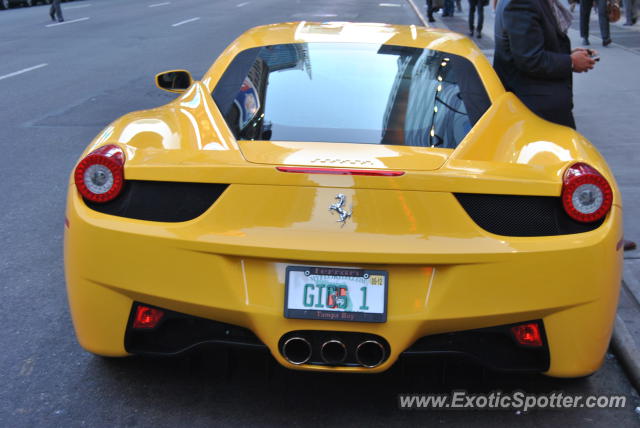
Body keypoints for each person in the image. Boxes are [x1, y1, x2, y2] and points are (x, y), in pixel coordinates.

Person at [494, 0, 596, 129]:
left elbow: (531, 46)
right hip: (537, 107)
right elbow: (530, 59)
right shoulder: (522, 3)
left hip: (539, 103)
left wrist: (570, 55)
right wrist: (571, 61)